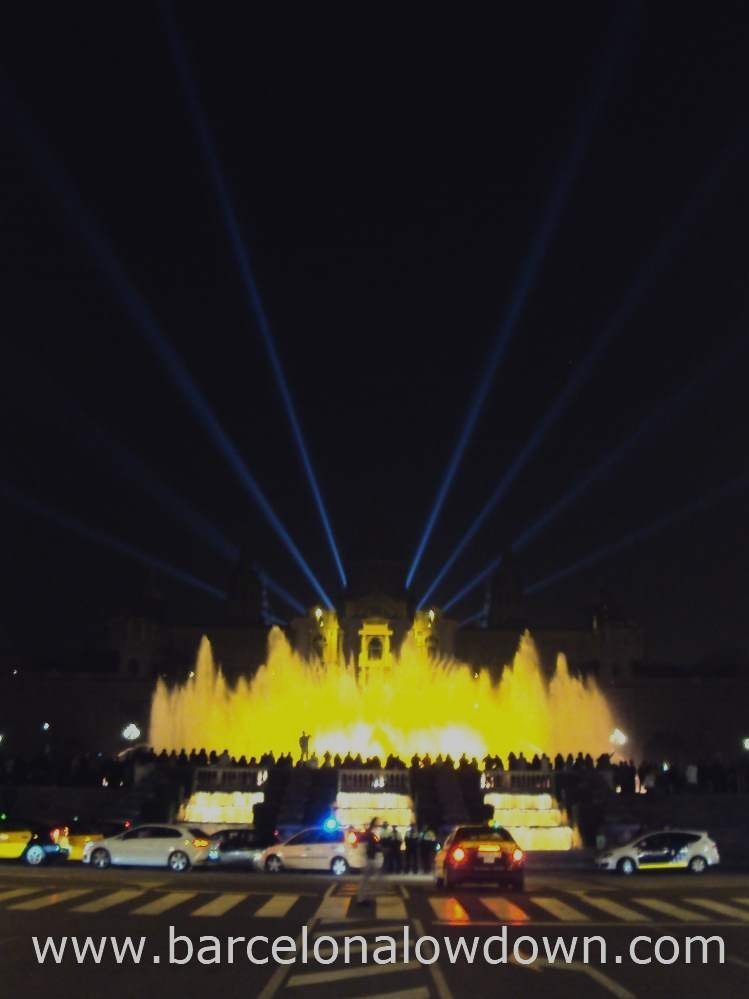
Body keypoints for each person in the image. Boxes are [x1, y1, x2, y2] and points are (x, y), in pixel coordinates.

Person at [355, 818, 382, 905]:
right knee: (364, 881)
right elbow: (374, 846)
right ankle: (361, 900)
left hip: (368, 859)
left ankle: (363, 899)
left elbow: (375, 845)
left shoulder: (369, 835)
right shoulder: (368, 835)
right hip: (367, 860)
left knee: (365, 881)